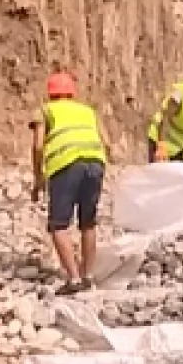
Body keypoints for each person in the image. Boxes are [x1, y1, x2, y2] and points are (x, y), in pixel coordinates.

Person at [29, 72, 109, 295]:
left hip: (66, 165)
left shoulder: (45, 110)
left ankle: (73, 280)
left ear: (50, 92)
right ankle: (88, 276)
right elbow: (106, 140)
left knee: (59, 224)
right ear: (72, 92)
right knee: (88, 222)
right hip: (95, 163)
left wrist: (38, 177)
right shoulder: (87, 111)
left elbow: (37, 145)